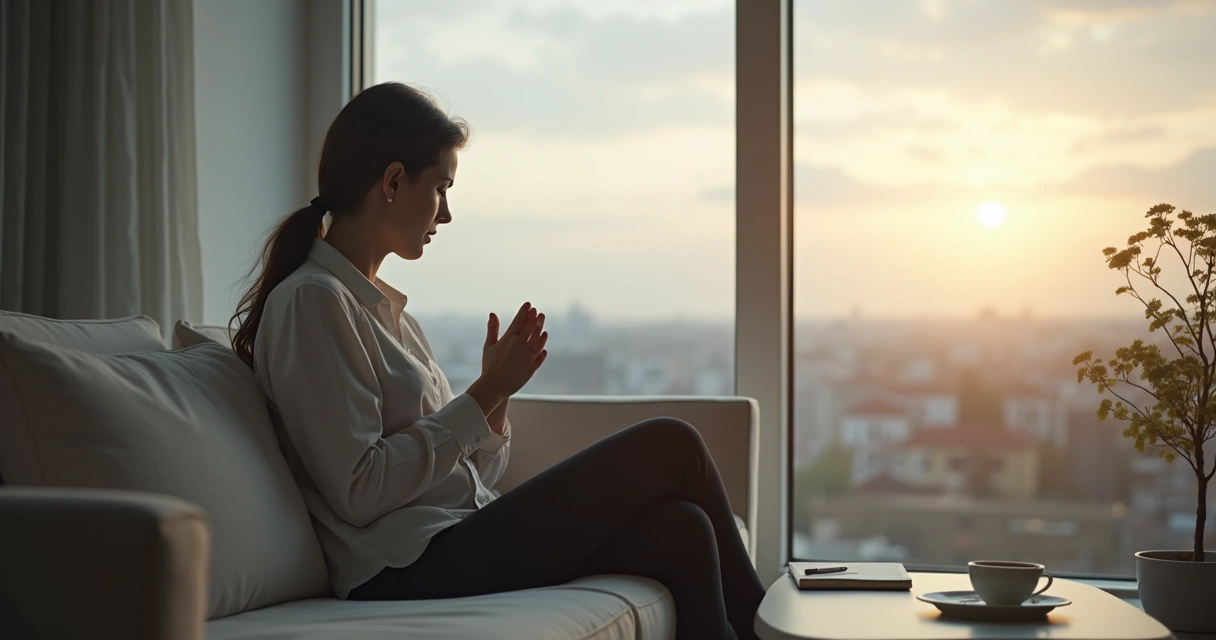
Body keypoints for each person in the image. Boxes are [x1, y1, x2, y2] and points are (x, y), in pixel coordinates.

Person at [230, 82, 765, 640]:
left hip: (456, 535)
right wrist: (480, 395)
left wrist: (496, 397)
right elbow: (359, 491)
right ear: (392, 182)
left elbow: (465, 476)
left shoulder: (388, 314)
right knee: (670, 444)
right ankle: (773, 629)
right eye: (441, 188)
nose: (448, 213)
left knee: (681, 530)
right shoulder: (312, 301)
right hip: (400, 569)